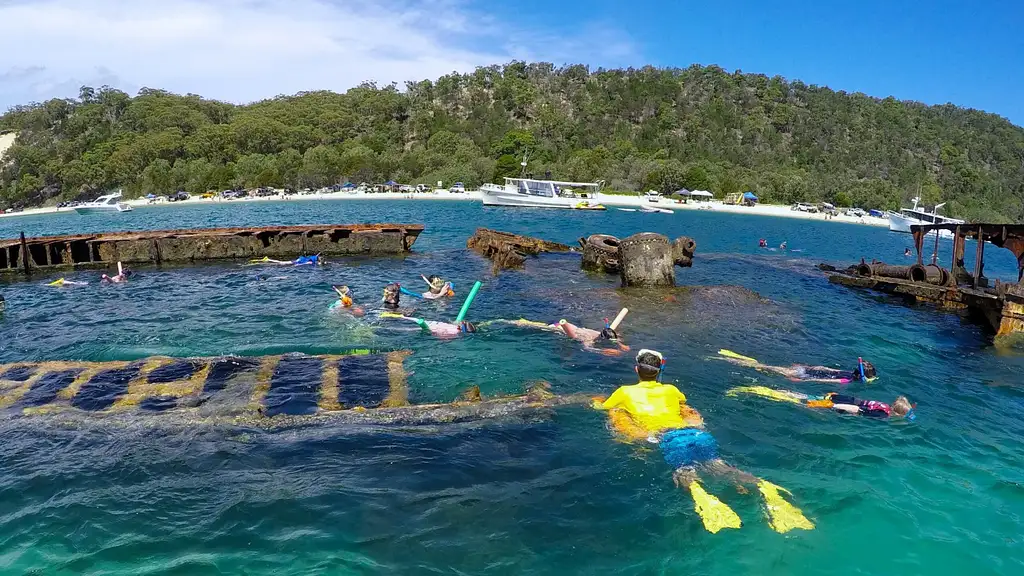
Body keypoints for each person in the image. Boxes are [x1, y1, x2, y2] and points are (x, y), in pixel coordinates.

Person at [593, 350, 814, 534]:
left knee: (684, 472)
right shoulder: (670, 389)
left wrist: (598, 402)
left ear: (636, 370)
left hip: (669, 437)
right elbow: (682, 401)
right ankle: (764, 487)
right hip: (696, 433)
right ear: (660, 371)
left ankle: (702, 495)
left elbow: (602, 407)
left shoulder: (624, 391)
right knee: (719, 466)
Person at [726, 386, 914, 420]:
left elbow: (857, 402)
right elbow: (857, 410)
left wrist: (834, 400)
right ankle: (772, 394)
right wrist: (833, 408)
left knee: (801, 395)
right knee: (802, 403)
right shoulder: (883, 415)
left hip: (839, 396)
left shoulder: (883, 405)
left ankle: (781, 391)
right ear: (899, 413)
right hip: (840, 404)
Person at [717, 350, 876, 383]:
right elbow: (824, 381)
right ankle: (737, 362)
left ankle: (741, 362)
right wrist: (803, 380)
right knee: (767, 368)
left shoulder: (846, 372)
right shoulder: (846, 380)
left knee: (769, 368)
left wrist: (807, 367)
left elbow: (826, 369)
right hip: (805, 375)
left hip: (807, 370)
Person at [385, 313, 476, 338]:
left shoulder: (455, 327)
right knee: (411, 330)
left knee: (416, 321)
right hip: (431, 328)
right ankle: (387, 328)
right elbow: (443, 335)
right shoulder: (455, 332)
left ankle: (402, 316)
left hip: (432, 323)